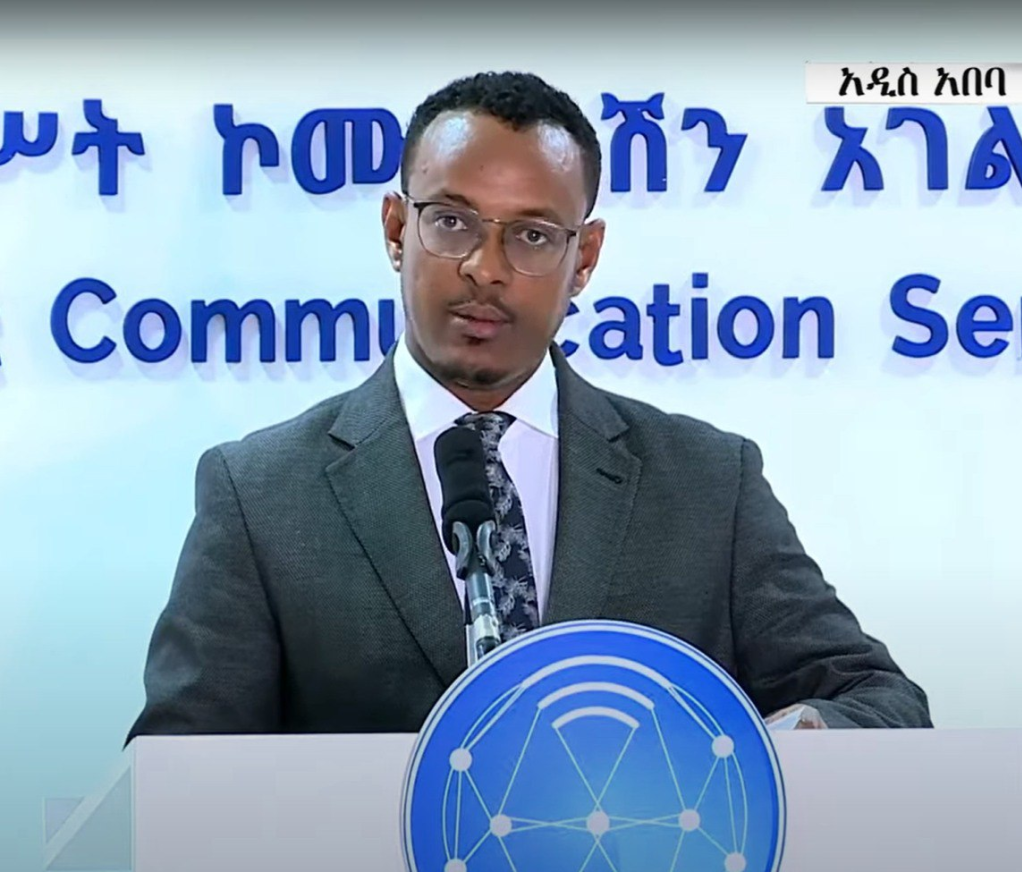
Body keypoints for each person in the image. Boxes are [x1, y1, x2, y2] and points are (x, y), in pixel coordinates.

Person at [128, 71, 930, 741]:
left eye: (534, 235)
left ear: (585, 258)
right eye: (451, 222)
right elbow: (174, 775)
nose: (486, 267)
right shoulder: (259, 493)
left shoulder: (708, 481)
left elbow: (878, 700)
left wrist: (790, 743)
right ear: (396, 228)